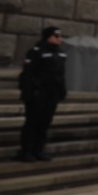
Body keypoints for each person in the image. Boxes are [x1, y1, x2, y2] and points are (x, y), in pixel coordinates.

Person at [16, 26, 66, 162]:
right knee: (32, 122)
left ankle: (38, 150)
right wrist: (28, 93)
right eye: (56, 36)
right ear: (48, 36)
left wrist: (62, 90)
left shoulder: (61, 53)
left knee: (45, 123)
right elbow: (27, 74)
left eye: (60, 36)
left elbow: (61, 74)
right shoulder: (36, 51)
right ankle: (26, 151)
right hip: (38, 93)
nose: (59, 39)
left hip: (52, 93)